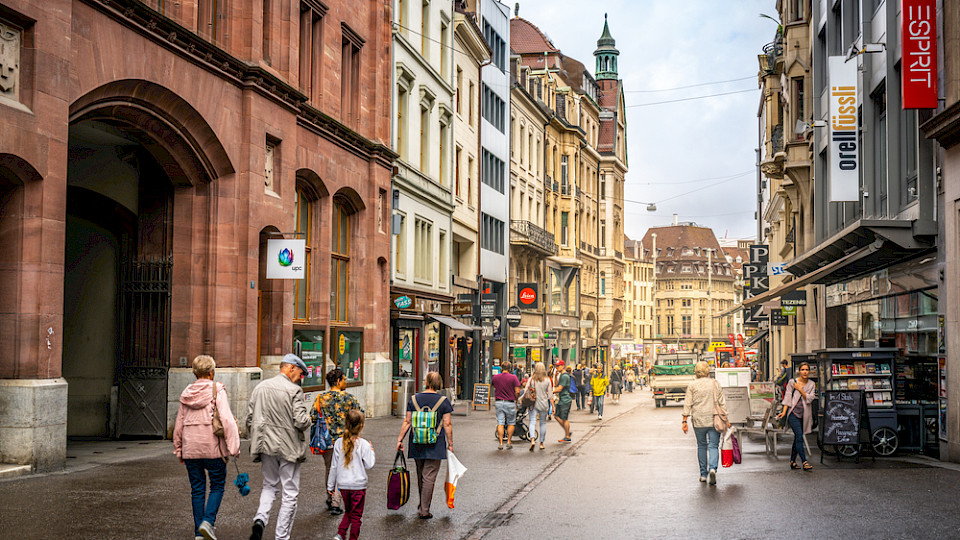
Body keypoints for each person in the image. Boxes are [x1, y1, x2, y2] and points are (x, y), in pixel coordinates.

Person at [173, 355, 240, 540]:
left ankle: (198, 533)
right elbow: (226, 419)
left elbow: (179, 423)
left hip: (191, 449)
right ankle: (208, 522)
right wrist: (234, 448)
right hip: (213, 449)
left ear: (195, 373)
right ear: (211, 372)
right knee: (217, 486)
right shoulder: (217, 390)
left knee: (197, 489)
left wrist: (179, 449)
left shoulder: (186, 393)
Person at [246, 354, 312, 540]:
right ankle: (281, 537)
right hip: (288, 447)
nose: (300, 378)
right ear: (291, 368)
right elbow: (300, 421)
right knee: (290, 492)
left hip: (265, 445)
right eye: (299, 373)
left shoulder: (260, 387)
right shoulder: (294, 390)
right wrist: (309, 419)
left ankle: (260, 519)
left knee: (269, 486)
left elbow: (250, 418)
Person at [396, 371, 454, 519]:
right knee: (429, 476)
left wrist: (400, 439)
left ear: (426, 382)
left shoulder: (414, 399)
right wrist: (450, 443)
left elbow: (407, 421)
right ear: (438, 384)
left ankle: (422, 504)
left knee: (421, 473)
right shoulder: (443, 401)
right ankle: (424, 509)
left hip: (417, 440)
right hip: (435, 442)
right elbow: (447, 424)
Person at [314, 368, 364, 515]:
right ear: (338, 381)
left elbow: (312, 416)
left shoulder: (321, 398)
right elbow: (359, 415)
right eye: (344, 379)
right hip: (345, 440)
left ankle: (331, 498)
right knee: (342, 469)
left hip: (326, 440)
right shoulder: (349, 398)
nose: (346, 381)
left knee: (330, 468)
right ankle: (336, 502)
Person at [327, 409, 375, 540]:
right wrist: (371, 450)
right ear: (361, 426)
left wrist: (330, 486)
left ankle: (340, 534)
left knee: (348, 511)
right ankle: (352, 538)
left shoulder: (338, 442)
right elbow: (369, 464)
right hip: (358, 486)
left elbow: (334, 466)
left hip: (343, 485)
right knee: (356, 516)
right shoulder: (364, 444)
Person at [681, 361, 729, 486]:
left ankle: (703, 474)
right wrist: (727, 419)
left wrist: (684, 420)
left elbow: (688, 403)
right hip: (714, 419)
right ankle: (713, 468)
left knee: (701, 446)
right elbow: (722, 402)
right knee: (713, 445)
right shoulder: (715, 383)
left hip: (698, 420)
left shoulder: (692, 385)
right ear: (708, 371)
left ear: (696, 372)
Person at [777, 362, 816, 471]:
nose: (805, 372)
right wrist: (784, 412)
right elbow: (788, 397)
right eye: (802, 369)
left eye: (807, 370)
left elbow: (810, 398)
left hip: (805, 415)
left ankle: (793, 461)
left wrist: (800, 389)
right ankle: (804, 462)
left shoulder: (812, 384)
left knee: (797, 438)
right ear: (799, 371)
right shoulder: (792, 382)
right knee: (799, 436)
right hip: (793, 414)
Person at [491, 361, 522, 450]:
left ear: (501, 368)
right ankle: (508, 441)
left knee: (500, 422)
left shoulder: (495, 377)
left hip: (499, 402)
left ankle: (500, 443)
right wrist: (516, 399)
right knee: (511, 422)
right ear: (510, 369)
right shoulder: (513, 377)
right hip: (510, 402)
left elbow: (494, 386)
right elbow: (517, 391)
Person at [525, 362, 553, 451]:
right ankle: (541, 443)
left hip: (533, 403)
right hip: (544, 404)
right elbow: (550, 395)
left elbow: (526, 390)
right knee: (542, 423)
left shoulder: (531, 379)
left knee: (532, 421)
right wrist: (553, 406)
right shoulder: (547, 380)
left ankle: (532, 439)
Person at [553, 365, 574, 442]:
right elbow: (556, 385)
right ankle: (567, 431)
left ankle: (567, 436)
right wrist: (555, 376)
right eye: (556, 366)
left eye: (558, 366)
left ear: (563, 366)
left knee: (564, 418)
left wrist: (549, 392)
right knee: (556, 415)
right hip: (561, 399)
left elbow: (559, 388)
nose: (557, 367)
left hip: (565, 399)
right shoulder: (561, 375)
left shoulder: (564, 376)